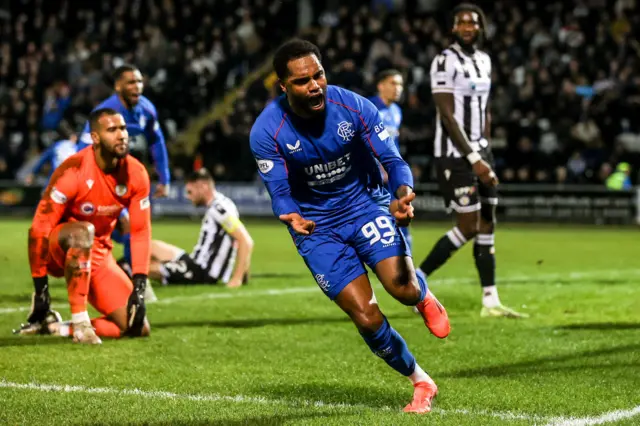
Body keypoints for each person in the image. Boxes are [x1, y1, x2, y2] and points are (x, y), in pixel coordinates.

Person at [250, 39, 450, 414]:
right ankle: (421, 381)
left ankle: (421, 294)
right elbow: (278, 191)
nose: (314, 86)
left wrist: (402, 194)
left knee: (401, 289)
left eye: (319, 75)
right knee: (366, 315)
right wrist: (289, 214)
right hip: (316, 226)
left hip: (364, 205)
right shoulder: (267, 131)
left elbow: (392, 159)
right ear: (282, 86)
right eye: (302, 81)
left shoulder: (354, 106)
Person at [418, 4, 526, 318]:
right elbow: (448, 116)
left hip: (481, 151)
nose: (467, 27)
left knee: (488, 222)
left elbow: (484, 108)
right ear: (453, 28)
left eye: (473, 23)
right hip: (454, 156)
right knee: (468, 226)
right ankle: (419, 280)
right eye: (462, 22)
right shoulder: (444, 61)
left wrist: (486, 149)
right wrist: (475, 158)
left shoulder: (484, 60)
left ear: (480, 28)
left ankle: (490, 301)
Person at [17, 108, 152, 344]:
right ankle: (81, 324)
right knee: (83, 232)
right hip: (56, 247)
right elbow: (39, 228)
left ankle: (55, 328)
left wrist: (139, 286)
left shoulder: (136, 173)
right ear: (95, 137)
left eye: (123, 129)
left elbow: (140, 231)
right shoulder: (73, 170)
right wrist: (41, 289)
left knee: (137, 327)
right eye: (112, 130)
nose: (122, 135)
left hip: (98, 254)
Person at [77, 64, 170, 273]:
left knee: (137, 228)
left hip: (132, 179)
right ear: (118, 86)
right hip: (103, 181)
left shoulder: (147, 109)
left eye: (139, 82)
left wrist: (165, 178)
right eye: (131, 82)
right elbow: (83, 151)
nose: (137, 86)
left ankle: (131, 275)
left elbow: (158, 142)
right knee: (117, 228)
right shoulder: (103, 114)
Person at [149, 168, 253, 288]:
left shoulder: (219, 209)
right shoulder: (223, 202)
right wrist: (245, 274)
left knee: (146, 269)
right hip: (195, 262)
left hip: (202, 272)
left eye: (190, 192)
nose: (188, 197)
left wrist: (237, 278)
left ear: (202, 187)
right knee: (151, 246)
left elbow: (245, 240)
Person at [368, 69, 412, 249]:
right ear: (381, 85)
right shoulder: (369, 108)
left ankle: (404, 258)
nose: (398, 88)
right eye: (393, 83)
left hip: (389, 174)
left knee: (402, 213)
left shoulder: (396, 111)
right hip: (371, 175)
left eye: (400, 84)